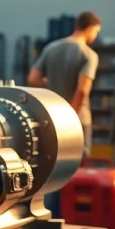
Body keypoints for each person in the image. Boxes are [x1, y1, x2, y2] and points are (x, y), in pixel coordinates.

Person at [27, 11, 102, 158]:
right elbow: (82, 91)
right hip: (78, 119)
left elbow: (33, 79)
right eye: (96, 31)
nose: (95, 36)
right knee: (77, 164)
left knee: (54, 163)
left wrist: (51, 83)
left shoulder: (51, 48)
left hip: (52, 116)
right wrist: (71, 117)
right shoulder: (88, 54)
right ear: (90, 28)